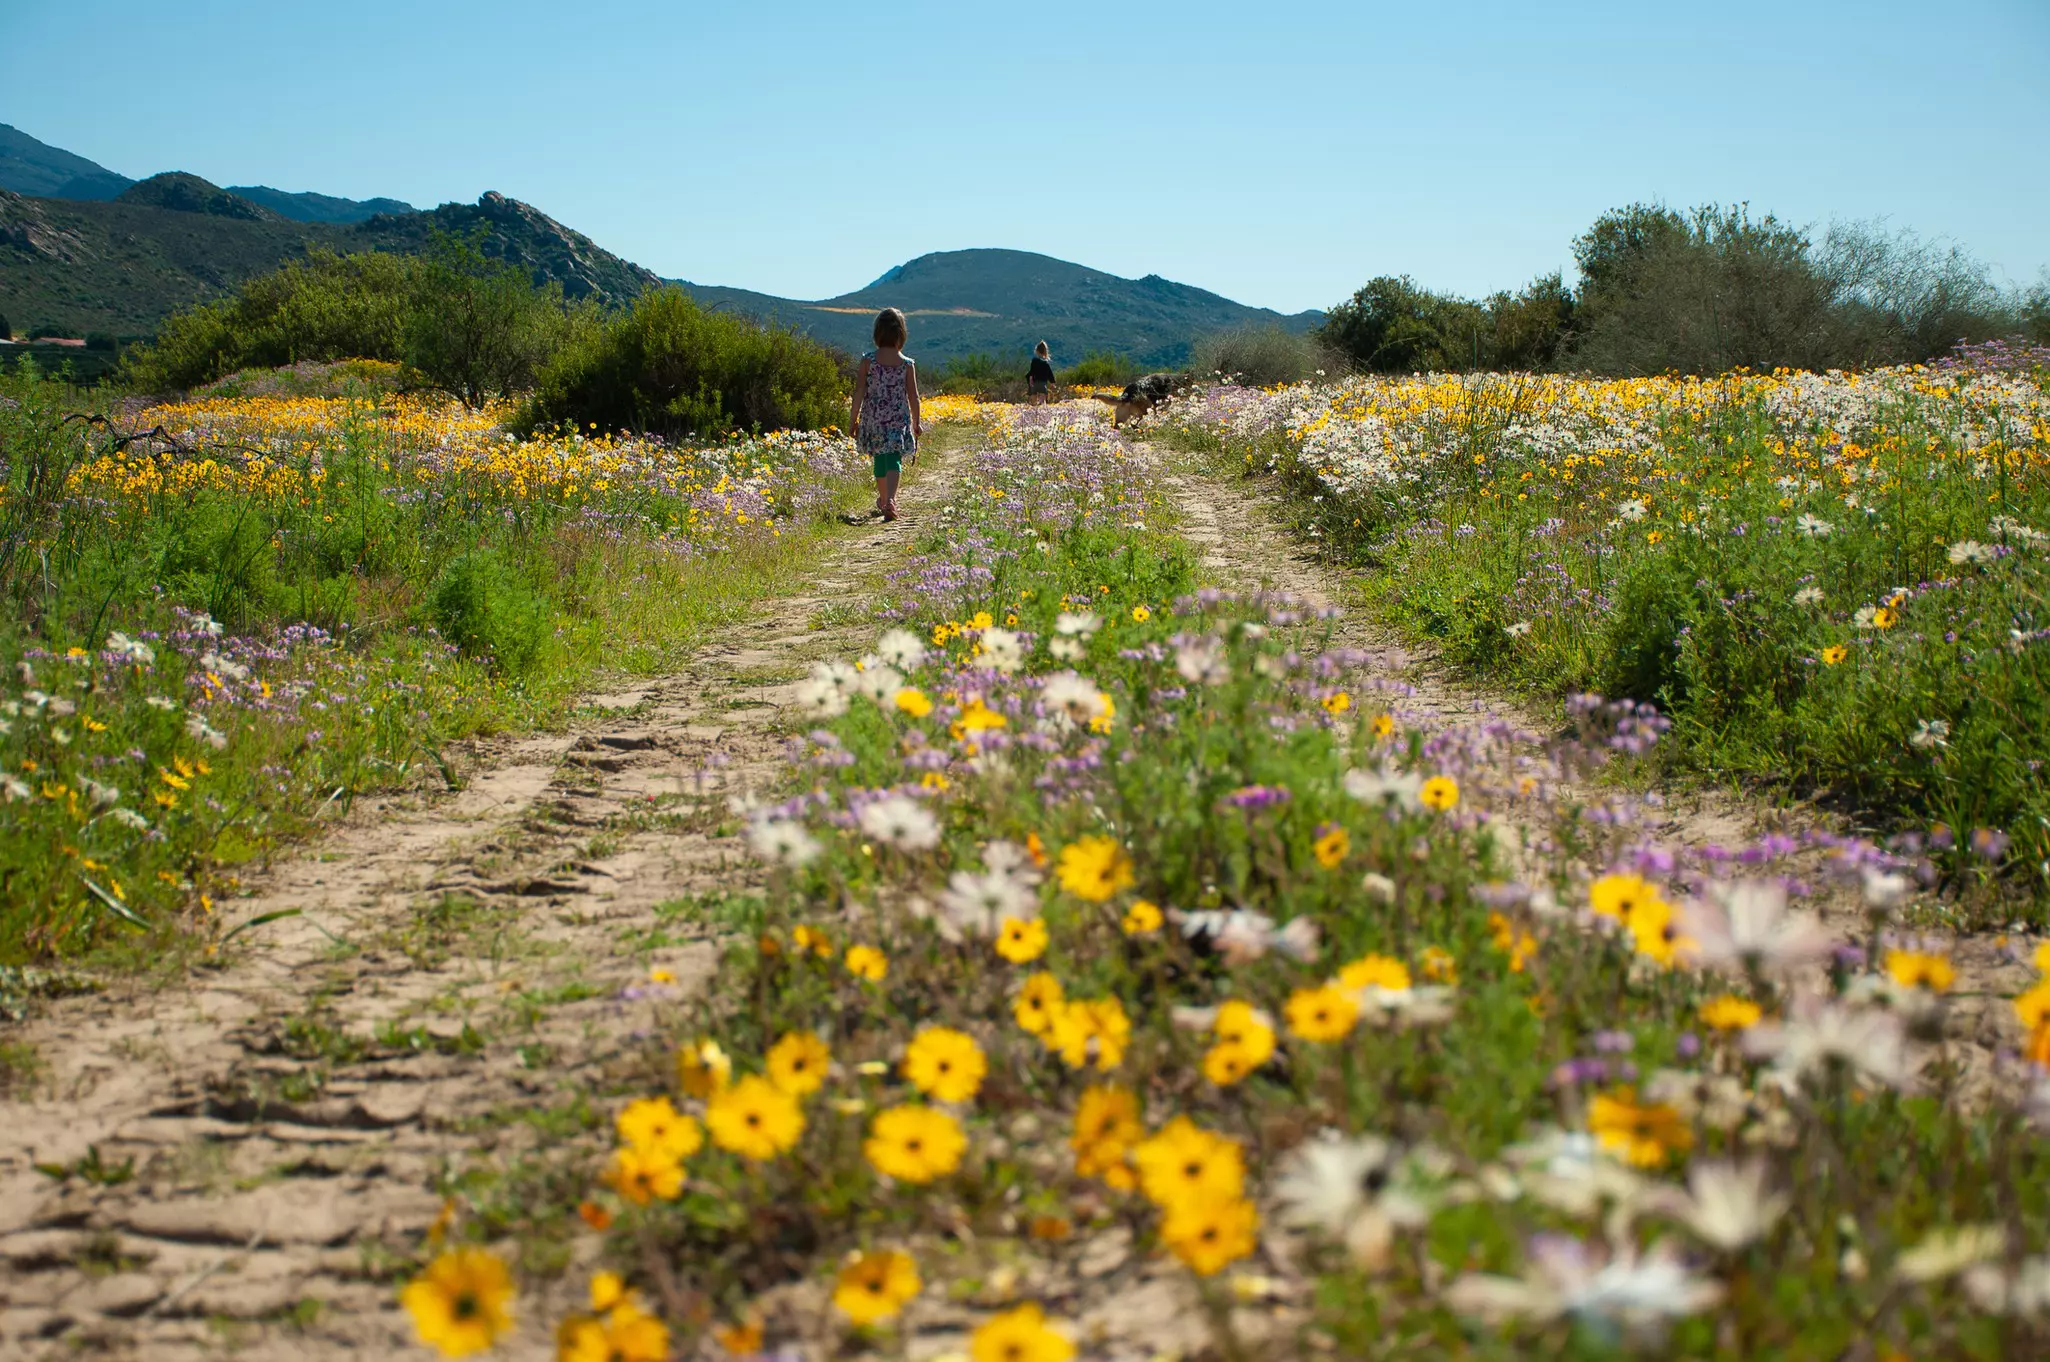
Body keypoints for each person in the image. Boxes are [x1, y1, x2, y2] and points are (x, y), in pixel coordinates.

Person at [850, 307, 921, 521]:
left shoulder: (868, 361)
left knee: (880, 460)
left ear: (877, 333)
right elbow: (913, 397)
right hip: (897, 420)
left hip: (873, 420)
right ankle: (889, 499)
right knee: (894, 460)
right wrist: (917, 423)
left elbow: (859, 392)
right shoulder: (907, 365)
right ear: (901, 334)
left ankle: (884, 499)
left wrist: (853, 421)